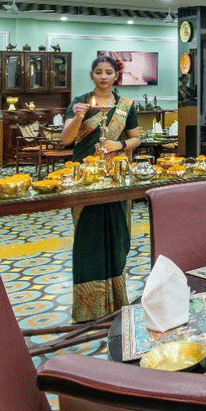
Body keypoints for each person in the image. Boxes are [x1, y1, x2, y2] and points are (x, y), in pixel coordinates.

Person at [58, 56, 142, 322]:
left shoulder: (125, 105)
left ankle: (117, 303)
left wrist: (119, 146)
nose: (103, 76)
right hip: (86, 179)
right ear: (92, 75)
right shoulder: (80, 103)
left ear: (116, 76)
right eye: (98, 72)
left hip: (116, 178)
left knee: (118, 237)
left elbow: (136, 138)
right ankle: (87, 309)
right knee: (87, 238)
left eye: (108, 72)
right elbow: (65, 139)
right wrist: (78, 118)